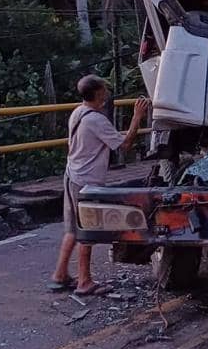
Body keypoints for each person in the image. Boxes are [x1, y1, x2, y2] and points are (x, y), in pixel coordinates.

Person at [50, 76, 148, 296]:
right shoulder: (96, 120)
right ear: (97, 93)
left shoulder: (78, 112)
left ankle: (60, 274)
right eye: (104, 90)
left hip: (72, 175)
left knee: (73, 229)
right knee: (87, 230)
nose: (106, 94)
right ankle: (84, 281)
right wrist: (137, 117)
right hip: (86, 181)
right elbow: (125, 144)